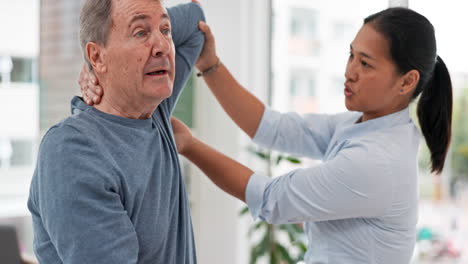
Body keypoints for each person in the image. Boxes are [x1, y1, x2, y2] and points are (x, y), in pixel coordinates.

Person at [82, 7, 453, 264]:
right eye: (351, 55)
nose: (349, 72)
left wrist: (191, 145)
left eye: (366, 64)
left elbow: (273, 200)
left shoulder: (377, 162)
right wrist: (209, 64)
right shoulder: (362, 125)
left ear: (407, 81)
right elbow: (271, 127)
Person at [28, 0, 205, 263]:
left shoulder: (154, 110)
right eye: (141, 33)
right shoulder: (74, 152)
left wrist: (93, 66)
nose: (163, 47)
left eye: (165, 31)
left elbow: (195, 20)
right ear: (97, 55)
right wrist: (94, 64)